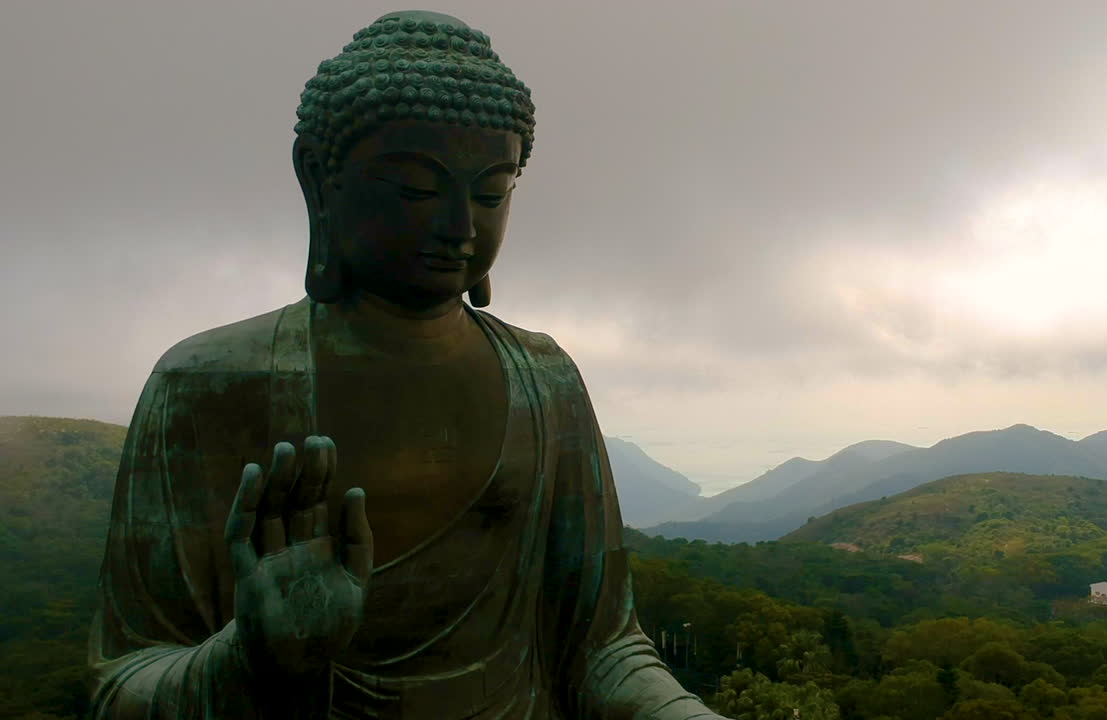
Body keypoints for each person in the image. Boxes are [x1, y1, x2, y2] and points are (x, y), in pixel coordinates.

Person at [89, 11, 726, 719]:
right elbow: (122, 687)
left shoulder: (547, 383)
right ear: (318, 179)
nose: (461, 225)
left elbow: (606, 649)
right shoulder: (206, 384)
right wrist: (251, 658)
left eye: (492, 192)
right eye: (418, 189)